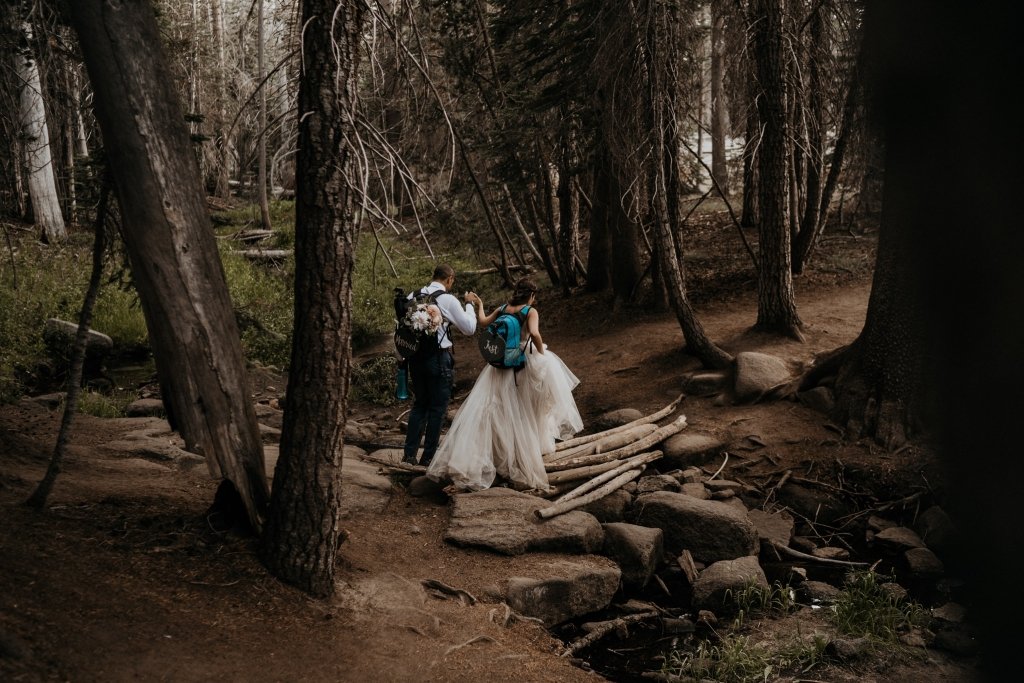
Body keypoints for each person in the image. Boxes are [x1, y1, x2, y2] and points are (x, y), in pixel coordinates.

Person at [426, 278, 583, 492]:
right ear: (531, 295)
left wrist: (480, 305)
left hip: (499, 364)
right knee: (524, 409)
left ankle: (498, 454)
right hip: (521, 362)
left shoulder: (503, 308)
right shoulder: (530, 311)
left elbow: (483, 323)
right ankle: (522, 454)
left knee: (499, 408)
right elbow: (534, 334)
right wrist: (542, 353)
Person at [402, 264, 478, 466]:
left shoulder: (412, 296)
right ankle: (428, 459)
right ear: (449, 279)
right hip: (438, 359)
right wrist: (469, 304)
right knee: (437, 409)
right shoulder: (448, 300)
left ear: (433, 276)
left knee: (419, 405)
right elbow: (469, 328)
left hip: (415, 358)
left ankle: (408, 456)